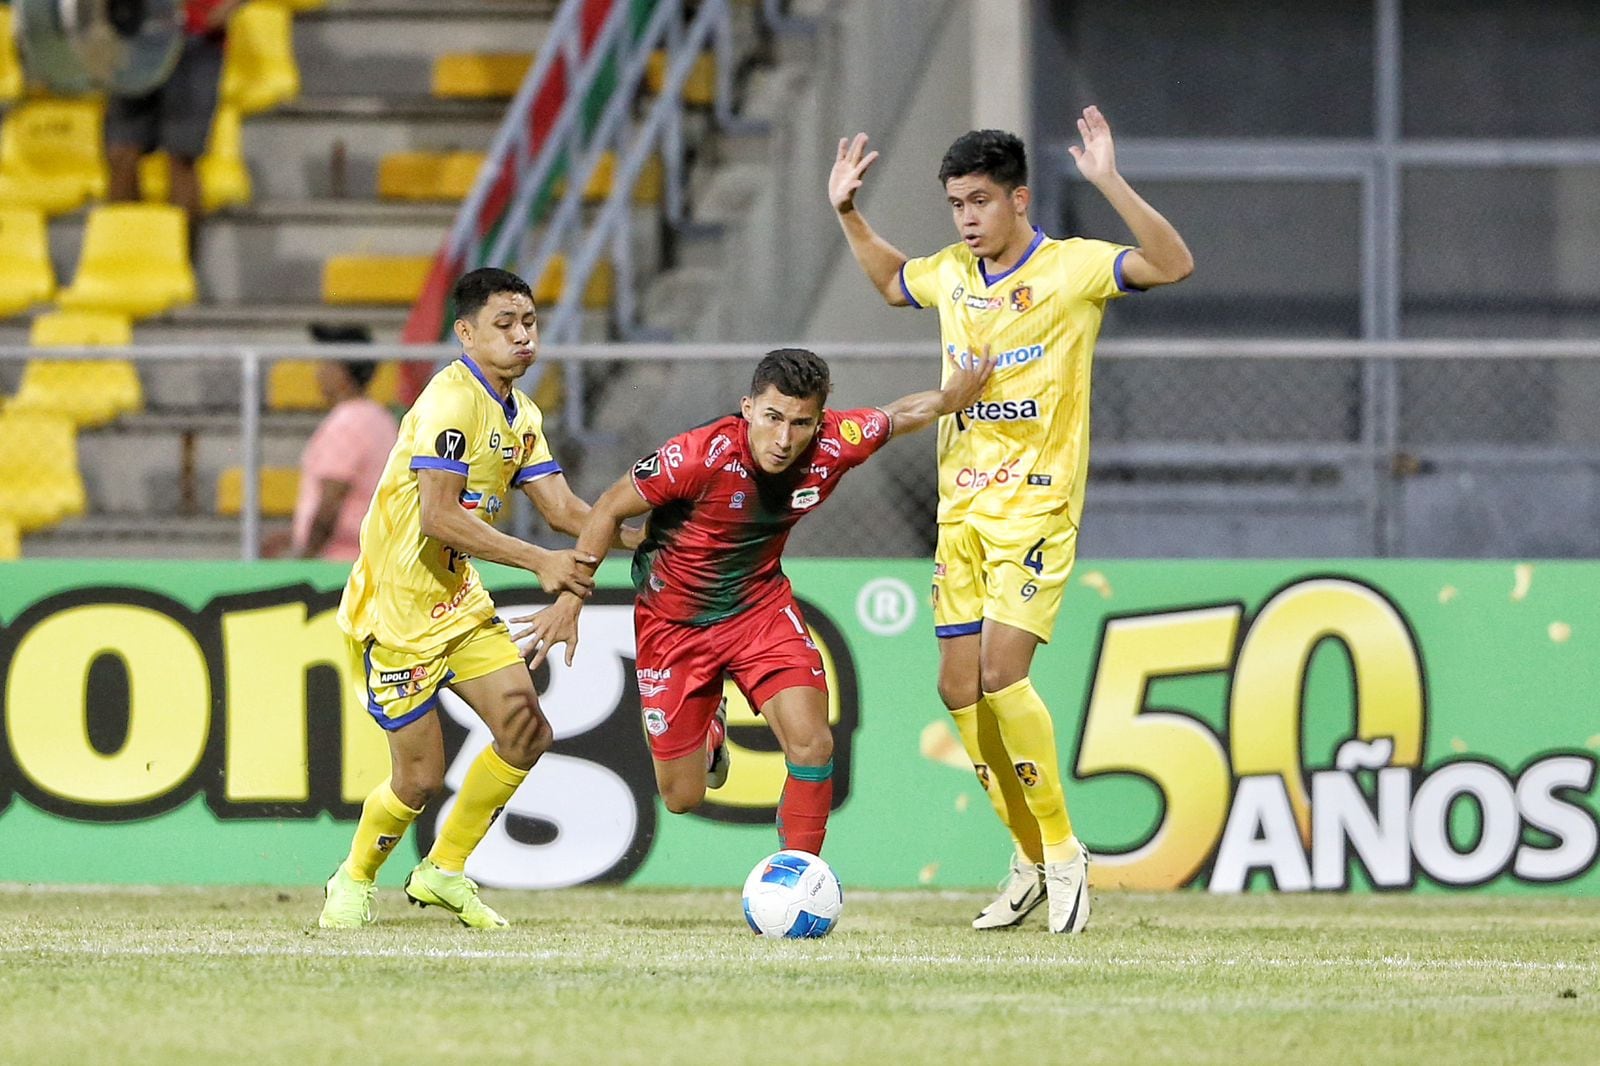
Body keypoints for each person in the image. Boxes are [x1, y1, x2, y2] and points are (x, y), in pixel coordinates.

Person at [827, 108, 1194, 933]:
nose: (965, 217)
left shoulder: (1072, 270)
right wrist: (849, 213)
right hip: (961, 510)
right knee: (956, 688)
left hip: (1037, 504)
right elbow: (892, 283)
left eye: (979, 202)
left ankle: (1065, 854)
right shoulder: (954, 272)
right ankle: (1029, 855)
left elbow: (1172, 263)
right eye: (956, 202)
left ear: (1019, 200)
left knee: (1001, 675)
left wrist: (1107, 181)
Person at [516, 346, 994, 859]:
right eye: (772, 418)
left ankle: (800, 877)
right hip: (673, 625)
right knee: (682, 795)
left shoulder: (838, 442)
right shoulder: (698, 455)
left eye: (800, 423)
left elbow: (899, 416)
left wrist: (949, 398)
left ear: (820, 420)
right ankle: (711, 726)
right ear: (748, 408)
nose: (784, 439)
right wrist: (572, 597)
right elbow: (609, 507)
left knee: (813, 744)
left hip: (758, 611)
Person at [318, 267, 641, 930]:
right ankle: (353, 878)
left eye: (529, 323)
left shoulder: (522, 414)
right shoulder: (448, 402)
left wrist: (647, 538)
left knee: (527, 733)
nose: (523, 336)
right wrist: (537, 562)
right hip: (396, 612)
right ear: (466, 333)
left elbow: (561, 509)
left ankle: (442, 871)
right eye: (505, 324)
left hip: (456, 602)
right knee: (418, 779)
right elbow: (438, 516)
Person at [104, 0, 240, 259]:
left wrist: (226, 8)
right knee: (122, 154)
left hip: (195, 43)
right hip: (133, 37)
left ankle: (180, 262)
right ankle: (125, 258)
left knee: (180, 157)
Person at [264, 343, 399, 562]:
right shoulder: (381, 419)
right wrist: (294, 536)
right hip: (376, 554)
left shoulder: (344, 423)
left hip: (340, 561)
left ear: (342, 373)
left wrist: (306, 558)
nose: (319, 374)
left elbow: (332, 499)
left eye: (326, 365)